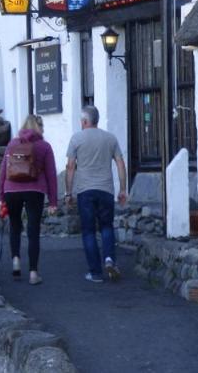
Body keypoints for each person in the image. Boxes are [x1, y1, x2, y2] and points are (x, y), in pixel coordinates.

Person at [65, 105, 127, 282]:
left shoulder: (76, 139)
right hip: (106, 190)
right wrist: (122, 189)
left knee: (89, 231)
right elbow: (120, 164)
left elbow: (70, 167)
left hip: (85, 191)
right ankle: (109, 259)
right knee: (107, 226)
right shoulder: (110, 138)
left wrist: (68, 192)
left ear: (84, 121)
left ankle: (95, 273)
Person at [0, 114, 58, 285]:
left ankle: (16, 260)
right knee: (33, 231)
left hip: (11, 189)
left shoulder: (12, 144)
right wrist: (53, 201)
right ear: (39, 127)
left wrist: (1, 196)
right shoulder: (44, 147)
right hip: (34, 190)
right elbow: (52, 176)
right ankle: (33, 273)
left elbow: (3, 171)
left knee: (15, 226)